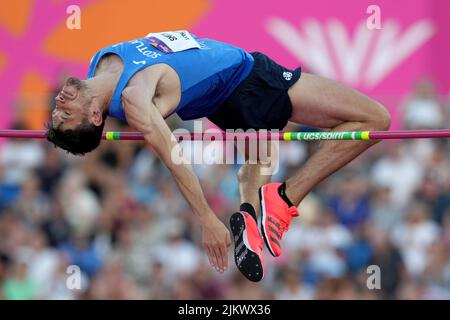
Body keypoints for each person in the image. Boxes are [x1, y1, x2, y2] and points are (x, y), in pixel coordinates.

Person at [46, 30, 391, 282]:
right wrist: (208, 220)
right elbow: (175, 158)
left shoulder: (99, 62)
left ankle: (252, 216)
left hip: (227, 98)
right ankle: (286, 197)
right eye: (64, 115)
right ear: (94, 117)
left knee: (261, 155)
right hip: (248, 81)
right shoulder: (135, 100)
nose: (58, 105)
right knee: (376, 118)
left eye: (56, 111)